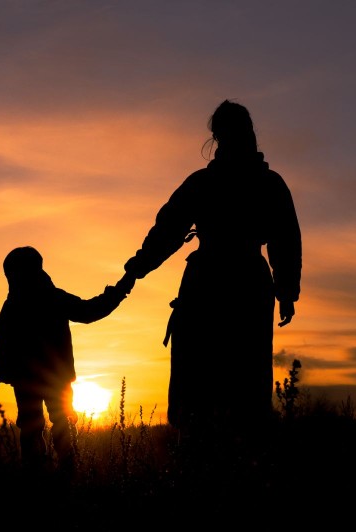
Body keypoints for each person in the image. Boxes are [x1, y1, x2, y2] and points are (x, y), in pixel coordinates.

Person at [117, 100, 302, 443]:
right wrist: (286, 292)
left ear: (218, 136)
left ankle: (206, 460)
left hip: (213, 284)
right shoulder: (266, 184)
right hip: (242, 286)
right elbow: (285, 240)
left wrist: (137, 268)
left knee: (207, 389)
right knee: (233, 387)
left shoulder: (206, 183)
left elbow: (167, 232)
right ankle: (232, 459)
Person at [0, 246, 128, 475]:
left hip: (32, 377)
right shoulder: (49, 298)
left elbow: (88, 311)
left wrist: (3, 370)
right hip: (49, 376)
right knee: (52, 423)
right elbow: (88, 311)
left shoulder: (16, 304)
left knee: (42, 424)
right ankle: (60, 472)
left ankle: (49, 473)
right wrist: (116, 294)